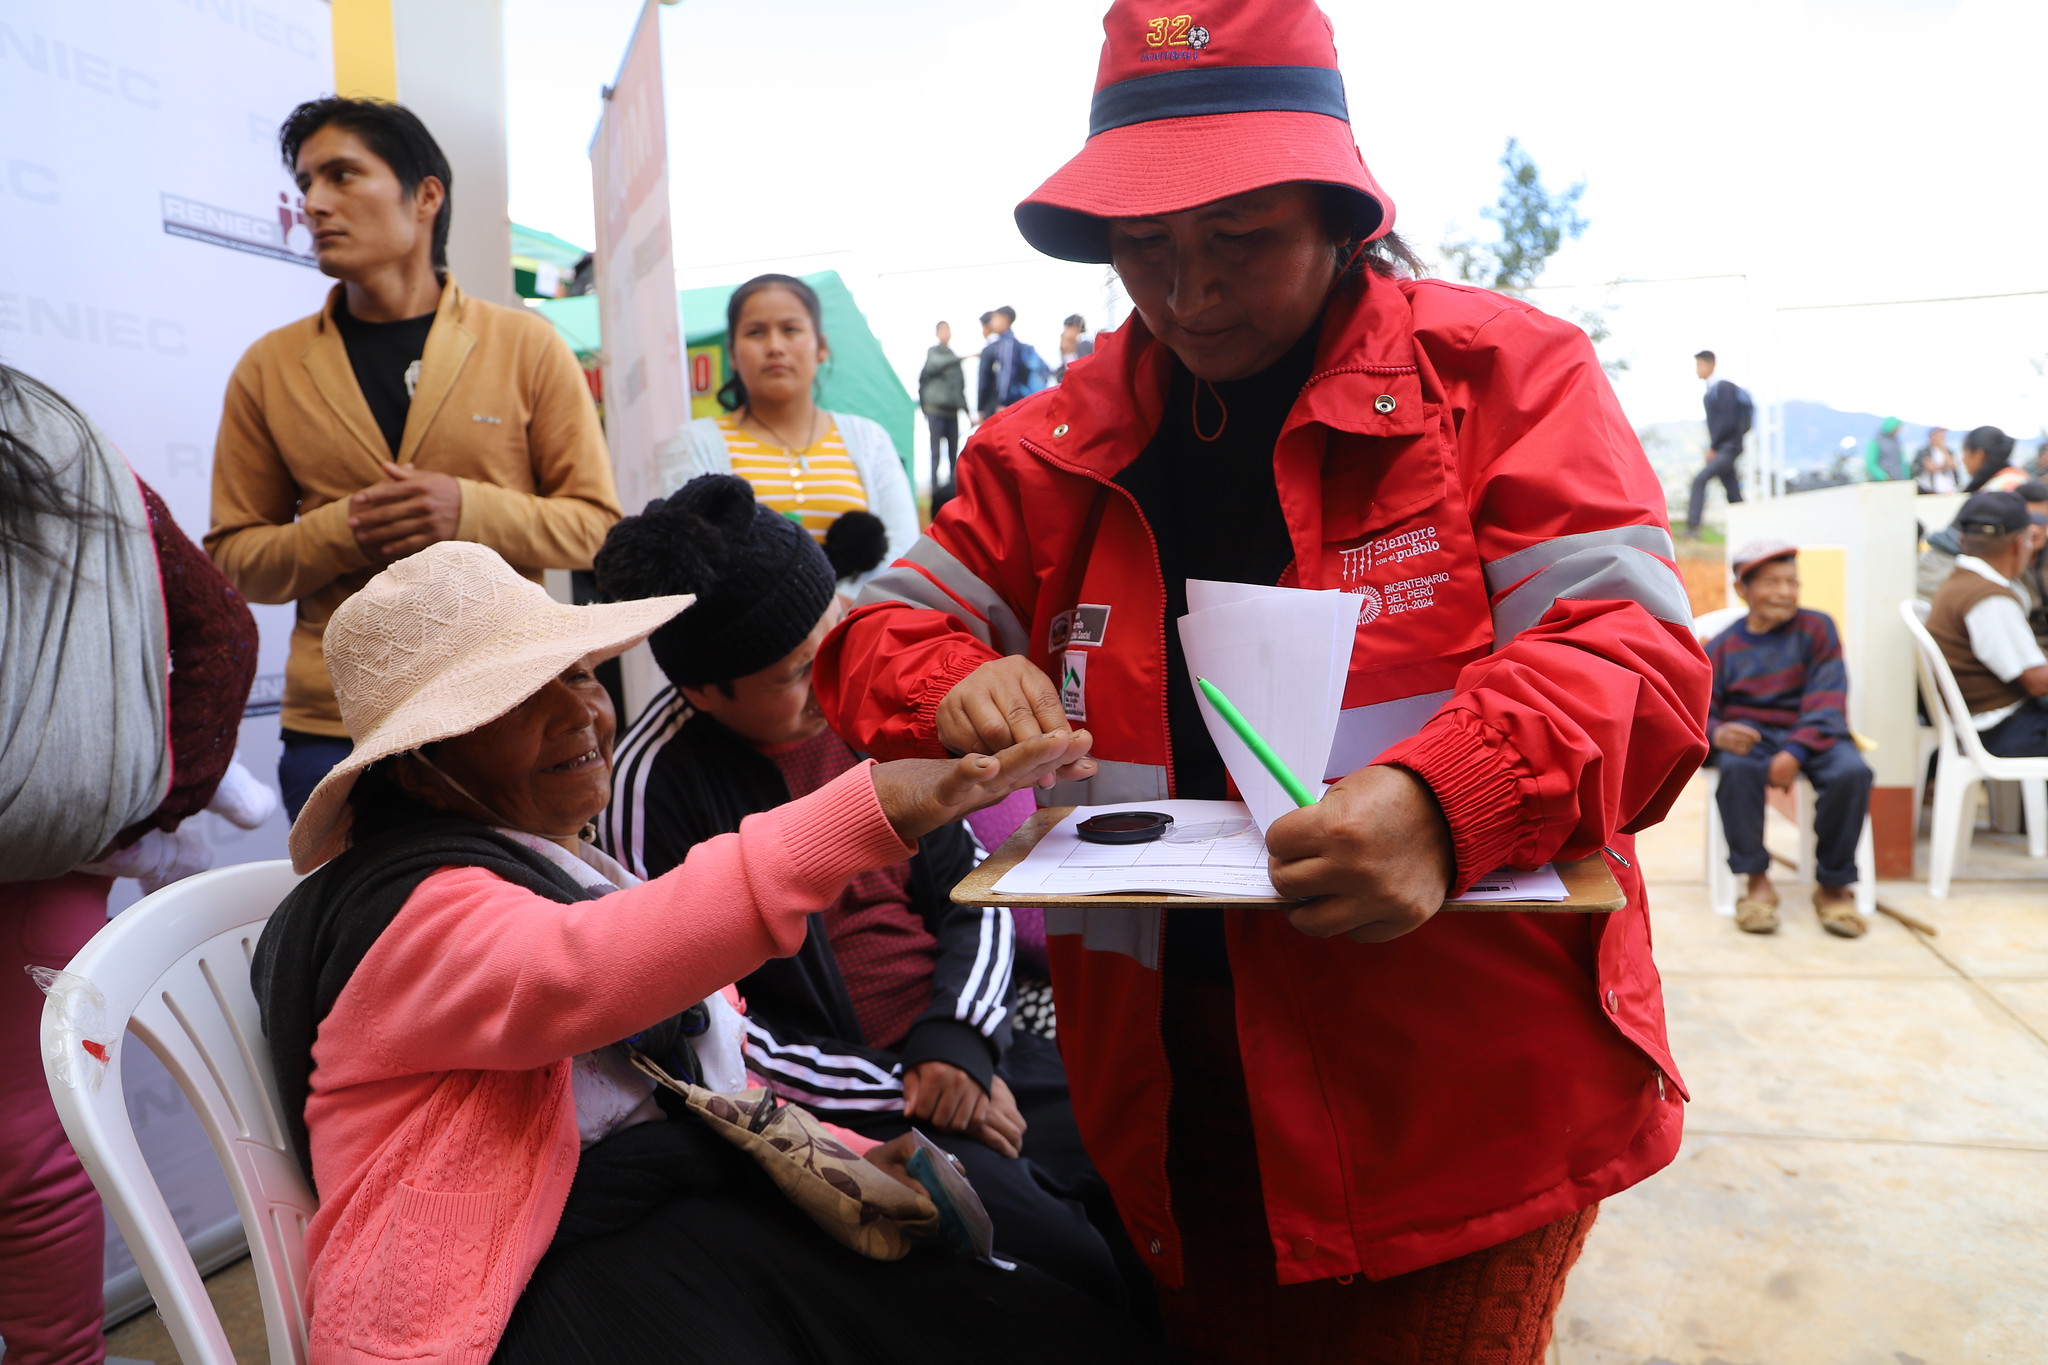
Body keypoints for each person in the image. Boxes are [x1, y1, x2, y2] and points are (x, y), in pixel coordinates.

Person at [815, 2, 1710, 1359]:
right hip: (1165, 1107)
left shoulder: (1502, 380)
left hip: (1449, 1115)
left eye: (1239, 241)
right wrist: (950, 682)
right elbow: (869, 630)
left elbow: (1632, 658)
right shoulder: (1049, 448)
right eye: (1144, 249)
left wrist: (1445, 800)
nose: (1188, 293)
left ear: (1340, 215)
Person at [249, 540, 1152, 1365]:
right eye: (520, 699)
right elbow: (592, 969)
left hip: (669, 1218)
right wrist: (871, 811)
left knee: (1047, 1280)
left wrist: (838, 1149)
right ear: (418, 767)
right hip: (518, 1301)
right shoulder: (406, 916)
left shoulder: (558, 864)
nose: (581, 713)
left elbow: (710, 1071)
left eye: (582, 675)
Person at [591, 474, 1124, 1304]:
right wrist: (910, 1085)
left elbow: (973, 887)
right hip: (849, 1103)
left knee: (1143, 1172)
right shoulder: (652, 783)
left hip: (976, 1038)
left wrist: (957, 1041)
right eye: (798, 672)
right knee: (1063, 1270)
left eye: (833, 634)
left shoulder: (857, 708)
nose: (830, 679)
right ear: (702, 691)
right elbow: (697, 1036)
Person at [206, 97, 622, 822]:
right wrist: (345, 529)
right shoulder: (267, 367)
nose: (313, 203)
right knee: (365, 933)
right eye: (306, 183)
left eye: (342, 175)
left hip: (510, 710)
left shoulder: (527, 345)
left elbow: (594, 527)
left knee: (524, 929)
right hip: (339, 727)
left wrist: (467, 510)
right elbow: (236, 558)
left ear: (426, 194)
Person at [2, 365, 259, 1365]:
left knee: (34, 1153)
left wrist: (148, 801)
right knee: (34, 1153)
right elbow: (223, 633)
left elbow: (220, 634)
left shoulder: (59, 458)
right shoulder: (64, 452)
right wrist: (142, 809)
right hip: (42, 865)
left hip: (39, 866)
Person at [657, 274, 917, 592]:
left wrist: (841, 614)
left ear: (821, 347)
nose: (775, 346)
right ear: (734, 354)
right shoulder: (694, 445)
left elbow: (902, 556)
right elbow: (690, 564)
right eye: (755, 332)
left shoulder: (870, 439)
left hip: (859, 634)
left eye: (790, 329)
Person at [1704, 541, 1873, 936]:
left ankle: (1833, 886)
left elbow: (1829, 698)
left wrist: (1795, 750)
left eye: (1792, 583)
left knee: (1852, 772)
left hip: (1813, 730)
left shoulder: (1817, 627)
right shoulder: (1723, 647)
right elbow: (1697, 710)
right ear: (1742, 589)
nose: (1784, 592)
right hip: (1753, 737)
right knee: (1736, 768)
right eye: (1771, 582)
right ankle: (1757, 883)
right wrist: (1718, 732)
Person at [1926, 491, 2048, 758]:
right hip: (2004, 729)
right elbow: (2038, 682)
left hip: (1996, 723)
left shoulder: (1959, 583)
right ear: (2020, 544)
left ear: (1961, 539)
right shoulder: (1989, 599)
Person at [1687, 349, 1751, 535]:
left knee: (1700, 479)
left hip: (1728, 447)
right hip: (1725, 446)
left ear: (1711, 364)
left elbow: (1727, 421)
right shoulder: (1710, 392)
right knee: (1733, 492)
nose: (1697, 369)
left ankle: (1693, 527)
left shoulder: (1722, 388)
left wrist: (1714, 447)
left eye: (1699, 364)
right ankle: (1747, 529)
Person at [918, 321, 970, 513]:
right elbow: (934, 367)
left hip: (951, 411)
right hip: (935, 410)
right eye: (943, 330)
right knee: (935, 453)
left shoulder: (953, 357)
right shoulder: (934, 353)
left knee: (953, 453)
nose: (946, 334)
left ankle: (953, 490)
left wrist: (967, 412)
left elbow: (960, 388)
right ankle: (934, 492)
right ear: (937, 333)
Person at [1961, 424, 2027, 494]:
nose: (1963, 459)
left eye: (1965, 452)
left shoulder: (2002, 487)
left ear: (1979, 455)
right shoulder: (2017, 477)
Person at [1914, 426, 1960, 493]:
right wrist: (1944, 466)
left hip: (1949, 489)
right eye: (1939, 434)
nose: (1942, 436)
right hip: (1930, 490)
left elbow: (1953, 465)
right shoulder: (1924, 452)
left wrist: (1942, 448)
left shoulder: (1949, 451)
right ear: (1932, 436)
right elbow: (1930, 467)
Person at [1865, 416, 1907, 482]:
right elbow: (1871, 464)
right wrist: (1883, 477)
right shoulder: (1876, 441)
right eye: (1897, 427)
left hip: (1898, 480)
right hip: (1883, 482)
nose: (1899, 430)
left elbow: (1901, 461)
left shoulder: (1896, 441)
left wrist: (1906, 476)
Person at [1057, 313, 1095, 379]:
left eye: (1068, 328)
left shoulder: (1086, 344)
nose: (1065, 332)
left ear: (1076, 328)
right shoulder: (1066, 346)